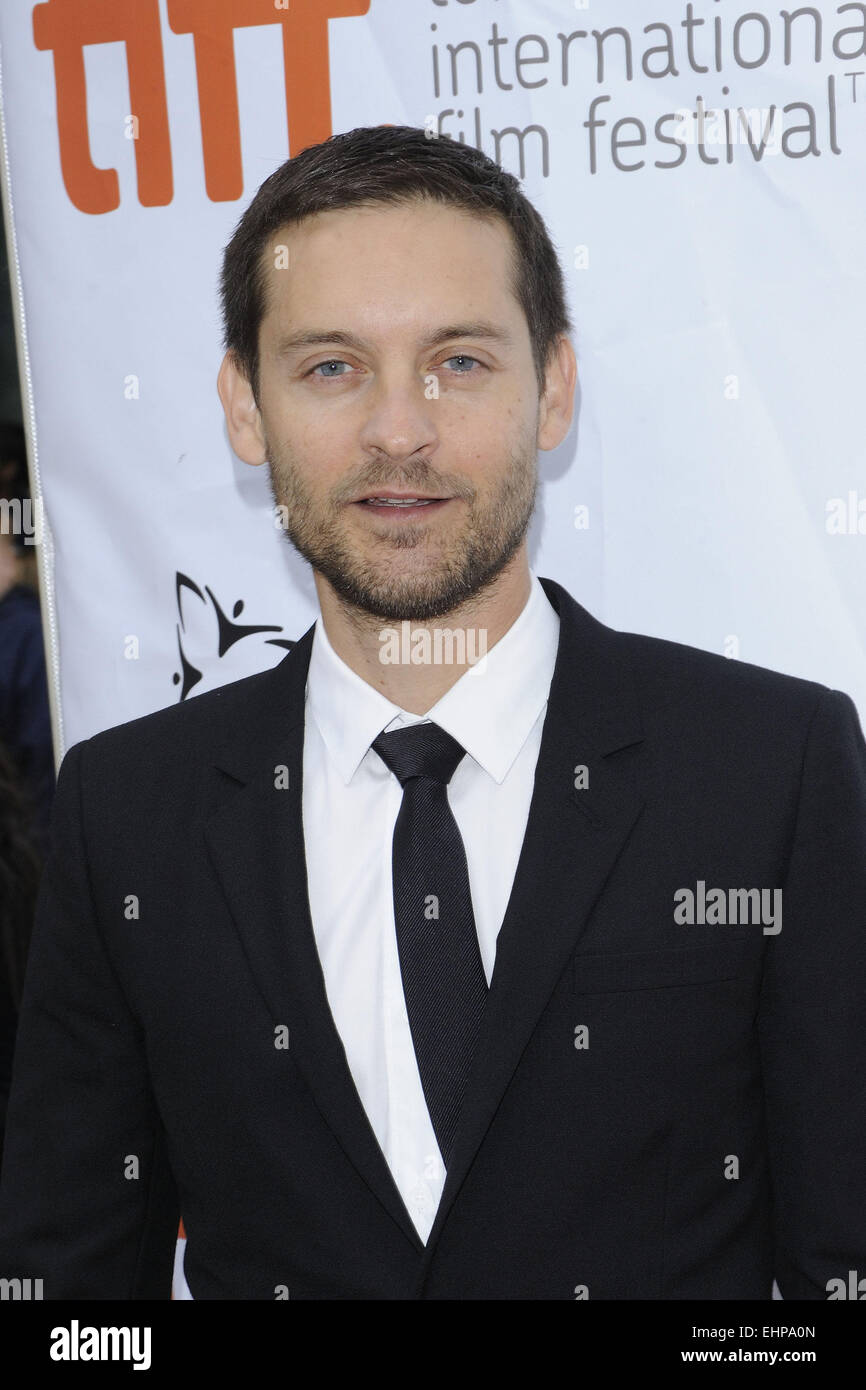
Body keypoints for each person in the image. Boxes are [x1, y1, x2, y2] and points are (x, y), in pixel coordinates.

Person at [0, 125, 864, 1301]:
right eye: (331, 367)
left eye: (457, 361)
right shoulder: (126, 813)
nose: (397, 429)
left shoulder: (772, 769)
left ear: (551, 388)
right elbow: (70, 1295)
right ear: (243, 409)